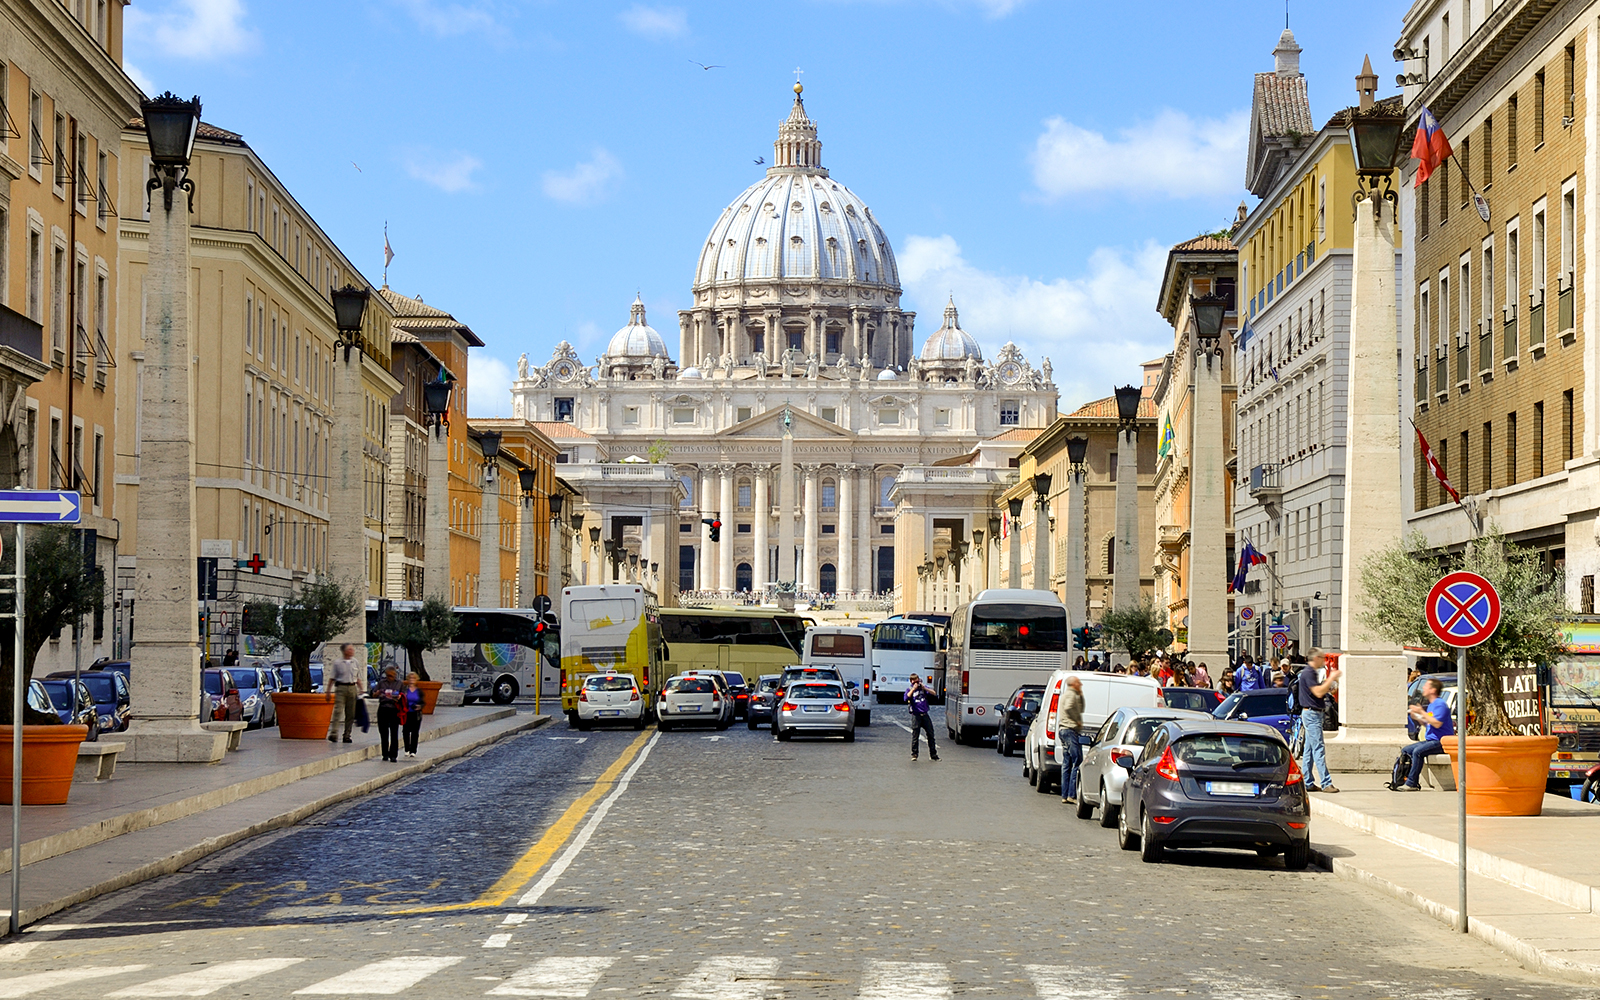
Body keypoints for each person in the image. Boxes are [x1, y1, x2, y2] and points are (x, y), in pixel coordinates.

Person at [1295, 649, 1341, 793]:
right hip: (1312, 715)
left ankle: (1307, 782)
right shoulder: (1309, 673)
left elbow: (1317, 692)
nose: (1324, 660)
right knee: (1318, 748)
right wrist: (1331, 677)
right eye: (1322, 657)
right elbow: (1318, 692)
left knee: (1308, 749)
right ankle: (1326, 782)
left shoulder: (1310, 673)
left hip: (1313, 714)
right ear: (1316, 658)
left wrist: (1329, 686)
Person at [1397, 679, 1454, 791]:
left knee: (1418, 752)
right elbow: (1429, 723)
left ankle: (1412, 783)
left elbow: (1437, 723)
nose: (1423, 688)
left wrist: (1421, 712)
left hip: (1441, 741)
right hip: (1431, 740)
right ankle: (1402, 778)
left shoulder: (1440, 704)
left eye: (1426, 686)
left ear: (1433, 690)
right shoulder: (1432, 705)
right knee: (1406, 750)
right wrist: (1417, 717)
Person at [325, 643, 366, 744]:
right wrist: (328, 691)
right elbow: (332, 678)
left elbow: (358, 678)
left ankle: (347, 735)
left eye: (352, 649)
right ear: (344, 651)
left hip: (352, 687)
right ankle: (334, 733)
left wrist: (362, 690)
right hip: (341, 687)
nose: (352, 651)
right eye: (350, 649)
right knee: (338, 710)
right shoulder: (338, 663)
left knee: (350, 713)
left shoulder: (355, 662)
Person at [1055, 675, 1085, 803]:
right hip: (1070, 730)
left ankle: (1064, 794)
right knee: (1077, 760)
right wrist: (1076, 720)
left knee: (1066, 763)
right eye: (1079, 683)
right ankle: (1071, 795)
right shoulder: (1071, 695)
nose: (1081, 685)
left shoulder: (1067, 694)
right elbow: (1069, 708)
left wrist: (1081, 695)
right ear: (1074, 684)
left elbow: (1081, 708)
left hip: (1063, 730)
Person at [373, 667, 405, 762]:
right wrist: (377, 693)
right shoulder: (382, 683)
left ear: (395, 675)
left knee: (394, 732)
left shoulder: (399, 683)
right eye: (388, 676)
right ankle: (385, 754)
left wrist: (399, 696)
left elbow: (404, 694)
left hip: (394, 708)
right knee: (383, 732)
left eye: (391, 676)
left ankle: (393, 754)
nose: (389, 677)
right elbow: (374, 693)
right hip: (383, 707)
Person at [907, 676, 939, 762]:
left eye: (917, 681)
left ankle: (933, 754)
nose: (916, 684)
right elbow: (906, 697)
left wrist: (924, 688)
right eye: (914, 682)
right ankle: (914, 754)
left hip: (925, 714)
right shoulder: (909, 689)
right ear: (911, 681)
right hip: (916, 715)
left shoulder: (923, 689)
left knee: (930, 734)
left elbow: (934, 693)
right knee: (915, 736)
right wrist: (913, 689)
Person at [401, 673, 425, 757]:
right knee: (406, 731)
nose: (411, 679)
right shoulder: (404, 690)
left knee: (415, 732)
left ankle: (413, 750)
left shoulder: (419, 691)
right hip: (406, 713)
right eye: (410, 678)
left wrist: (419, 706)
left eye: (413, 678)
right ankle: (407, 748)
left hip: (416, 713)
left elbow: (423, 702)